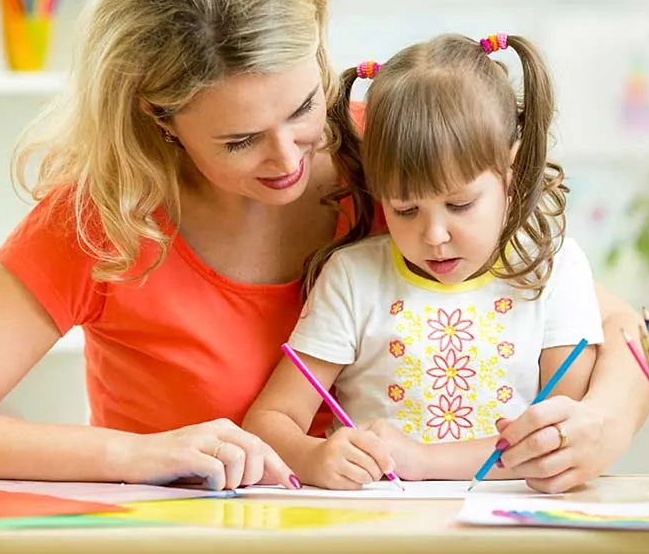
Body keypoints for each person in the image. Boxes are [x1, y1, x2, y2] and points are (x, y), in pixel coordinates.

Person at [0, 0, 649, 494]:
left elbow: (615, 328)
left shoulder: (386, 168)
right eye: (240, 140)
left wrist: (603, 427)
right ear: (158, 116)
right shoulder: (106, 218)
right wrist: (135, 454)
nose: (291, 158)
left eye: (304, 106)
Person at [243, 32, 606, 490]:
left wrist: (424, 460)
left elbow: (554, 439)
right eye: (405, 210)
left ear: (510, 173)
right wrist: (313, 456)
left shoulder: (556, 270)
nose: (434, 236)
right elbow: (269, 419)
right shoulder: (353, 279)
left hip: (511, 524)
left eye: (460, 205)